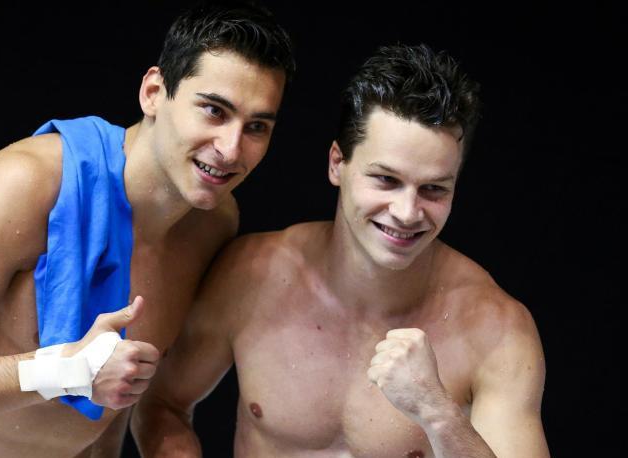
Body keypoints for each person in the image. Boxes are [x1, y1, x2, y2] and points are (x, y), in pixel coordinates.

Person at [0, 2, 295, 457]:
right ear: (154, 92)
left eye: (256, 127)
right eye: (214, 111)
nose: (231, 149)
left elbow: (114, 401)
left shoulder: (212, 224)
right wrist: (65, 371)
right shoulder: (26, 185)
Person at [133, 43, 549, 457]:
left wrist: (437, 413)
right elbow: (162, 405)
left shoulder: (497, 330)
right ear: (337, 164)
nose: (407, 212)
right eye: (386, 180)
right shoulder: (252, 274)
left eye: (433, 189)